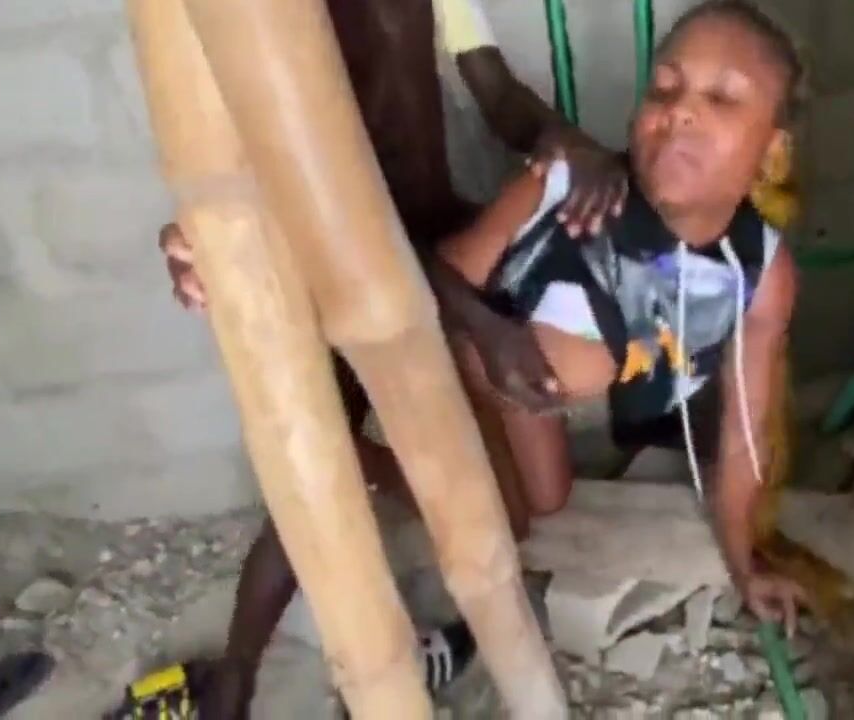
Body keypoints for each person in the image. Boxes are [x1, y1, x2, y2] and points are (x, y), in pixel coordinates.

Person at [167, 0, 811, 702]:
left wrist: (746, 562)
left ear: (773, 151)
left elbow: (747, 431)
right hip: (416, 306)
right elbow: (422, 278)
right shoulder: (571, 197)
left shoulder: (756, 269)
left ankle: (359, 467)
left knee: (544, 500)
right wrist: (486, 332)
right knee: (494, 513)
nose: (681, 110)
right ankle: (259, 636)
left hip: (466, 307)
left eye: (722, 99)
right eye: (664, 86)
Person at [156, 0, 626, 716]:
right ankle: (237, 675)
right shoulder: (266, 19)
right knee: (315, 471)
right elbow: (234, 169)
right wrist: (199, 244)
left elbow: (498, 94)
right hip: (336, 263)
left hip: (434, 243)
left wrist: (568, 144)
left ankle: (369, 488)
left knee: (510, 512)